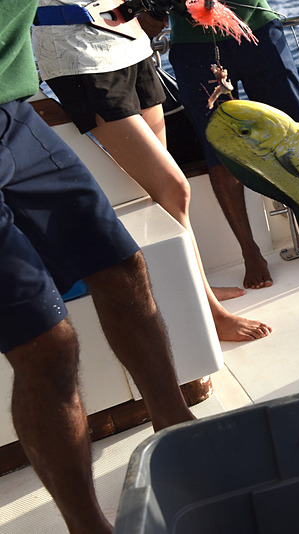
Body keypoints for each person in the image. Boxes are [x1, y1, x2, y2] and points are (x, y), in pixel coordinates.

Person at [1, 3, 196, 532]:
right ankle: (89, 526)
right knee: (46, 342)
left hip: (11, 117)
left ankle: (177, 427)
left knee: (122, 268)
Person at [31, 0, 271, 342]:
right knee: (174, 188)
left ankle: (195, 286)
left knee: (157, 197)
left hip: (132, 43)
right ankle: (209, 313)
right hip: (81, 56)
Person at [167, 0, 299, 288]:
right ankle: (249, 249)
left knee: (296, 132)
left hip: (256, 24)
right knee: (220, 149)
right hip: (192, 42)